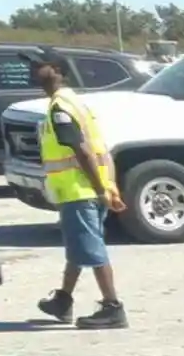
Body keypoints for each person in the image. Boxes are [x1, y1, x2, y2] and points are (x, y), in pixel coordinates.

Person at [32, 60, 128, 330]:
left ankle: (112, 307)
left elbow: (84, 152)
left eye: (43, 66)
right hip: (88, 189)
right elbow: (104, 151)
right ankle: (62, 300)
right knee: (79, 247)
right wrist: (109, 186)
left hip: (80, 191)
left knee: (92, 250)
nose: (35, 71)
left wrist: (100, 189)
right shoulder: (77, 103)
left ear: (59, 72)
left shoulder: (61, 107)